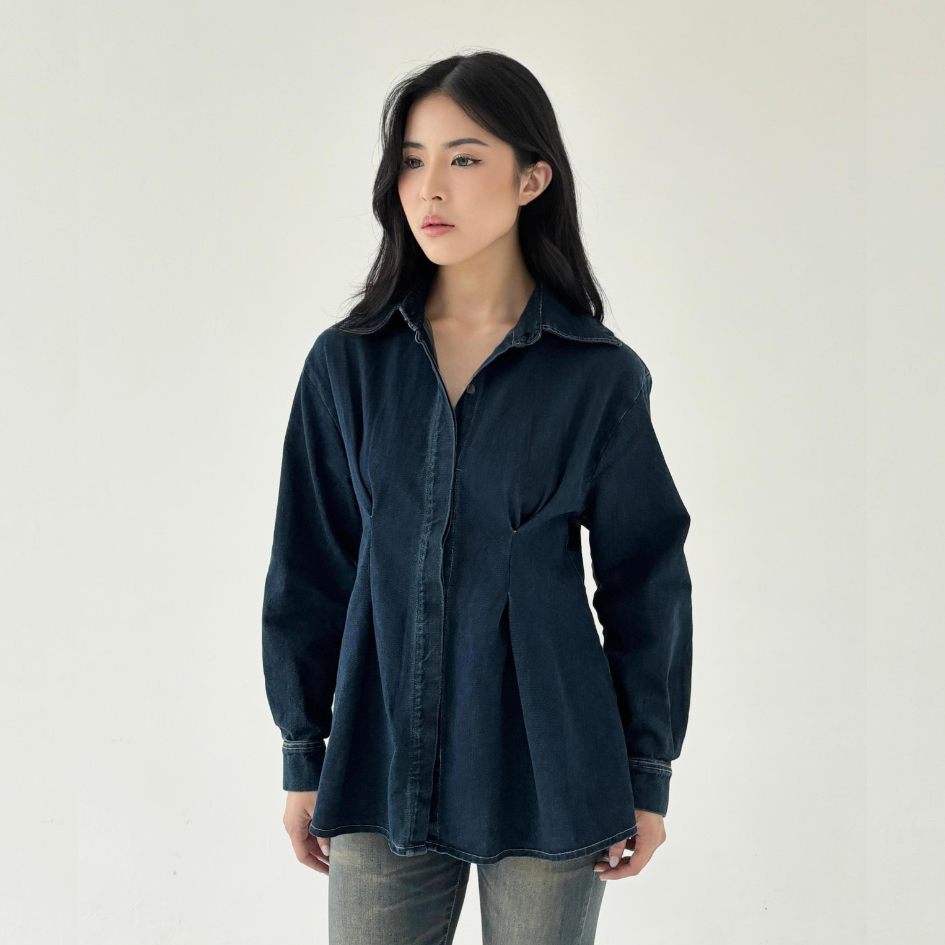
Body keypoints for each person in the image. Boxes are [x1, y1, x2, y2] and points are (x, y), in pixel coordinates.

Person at [262, 50, 693, 945]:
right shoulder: (347, 365)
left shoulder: (598, 377)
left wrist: (646, 773)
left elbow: (646, 581)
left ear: (532, 177)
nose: (430, 188)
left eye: (463, 158)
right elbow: (309, 567)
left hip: (552, 771)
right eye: (411, 160)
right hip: (379, 767)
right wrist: (304, 751)